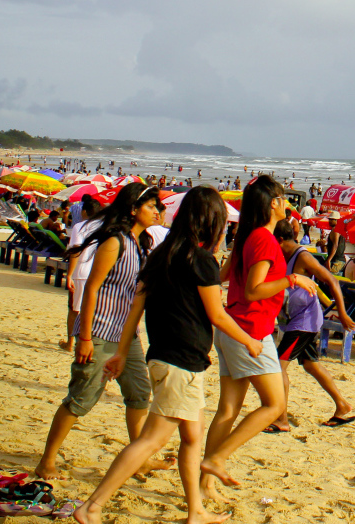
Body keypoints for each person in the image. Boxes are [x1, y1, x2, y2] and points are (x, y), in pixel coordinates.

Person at [71, 187, 252, 524]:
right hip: (180, 362)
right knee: (153, 439)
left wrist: (123, 352)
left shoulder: (161, 253)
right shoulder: (201, 261)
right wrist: (251, 342)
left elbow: (136, 307)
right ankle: (92, 506)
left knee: (192, 437)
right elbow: (217, 315)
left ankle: (195, 510)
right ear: (212, 222)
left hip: (167, 357)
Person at [34, 184, 161, 479]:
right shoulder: (115, 242)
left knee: (140, 394)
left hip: (126, 335)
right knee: (82, 397)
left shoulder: (141, 244)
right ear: (133, 209)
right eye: (151, 206)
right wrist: (85, 338)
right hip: (101, 331)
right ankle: (47, 460)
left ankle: (139, 458)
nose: (156, 211)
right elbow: (90, 288)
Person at [200, 177, 292, 501]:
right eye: (282, 197)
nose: (286, 202)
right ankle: (216, 459)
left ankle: (205, 485)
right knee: (274, 404)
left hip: (231, 329)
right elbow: (254, 290)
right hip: (250, 330)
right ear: (272, 204)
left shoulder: (246, 236)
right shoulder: (264, 240)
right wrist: (290, 279)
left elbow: (223, 275)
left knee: (228, 409)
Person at [269, 197, 355, 432]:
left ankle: (281, 419)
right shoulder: (283, 257)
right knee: (310, 364)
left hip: (304, 321)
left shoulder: (302, 256)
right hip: (294, 319)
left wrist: (342, 313)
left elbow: (332, 281)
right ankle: (342, 406)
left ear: (278, 239)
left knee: (279, 367)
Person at [61, 194, 106, 352]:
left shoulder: (79, 227)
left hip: (81, 271)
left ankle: (70, 342)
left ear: (85, 212)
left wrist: (69, 274)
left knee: (74, 309)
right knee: (94, 308)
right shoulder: (104, 227)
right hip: (99, 272)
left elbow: (75, 251)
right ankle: (90, 340)